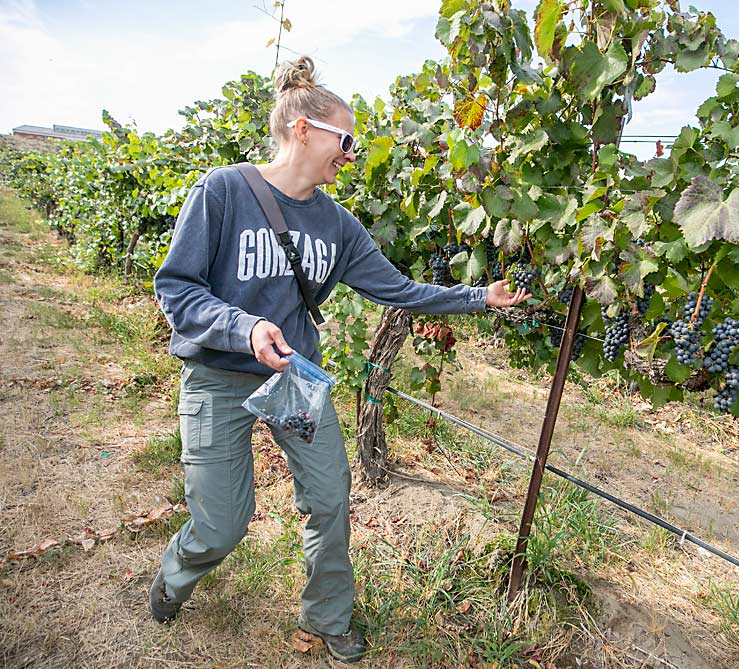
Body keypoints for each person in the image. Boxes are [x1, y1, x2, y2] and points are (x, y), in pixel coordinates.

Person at [149, 56, 531, 663]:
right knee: (223, 523)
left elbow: (400, 291)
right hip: (218, 375)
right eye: (345, 140)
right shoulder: (222, 191)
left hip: (294, 379)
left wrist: (477, 297)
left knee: (329, 499)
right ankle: (174, 577)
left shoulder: (337, 225)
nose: (350, 155)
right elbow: (176, 288)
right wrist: (244, 329)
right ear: (303, 129)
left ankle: (328, 617)